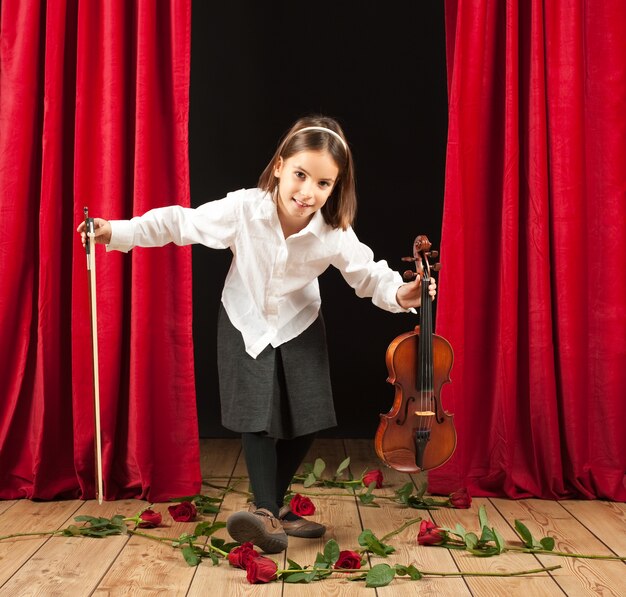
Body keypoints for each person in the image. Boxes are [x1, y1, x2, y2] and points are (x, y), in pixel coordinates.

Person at [77, 114, 436, 554]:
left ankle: (272, 510)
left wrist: (404, 292)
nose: (308, 192)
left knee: (309, 419)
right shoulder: (244, 209)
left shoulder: (334, 232)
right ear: (281, 166)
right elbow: (179, 223)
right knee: (257, 418)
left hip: (298, 320)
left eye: (323, 184)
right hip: (244, 317)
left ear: (335, 187)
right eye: (301, 175)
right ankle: (266, 512)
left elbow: (370, 277)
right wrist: (116, 230)